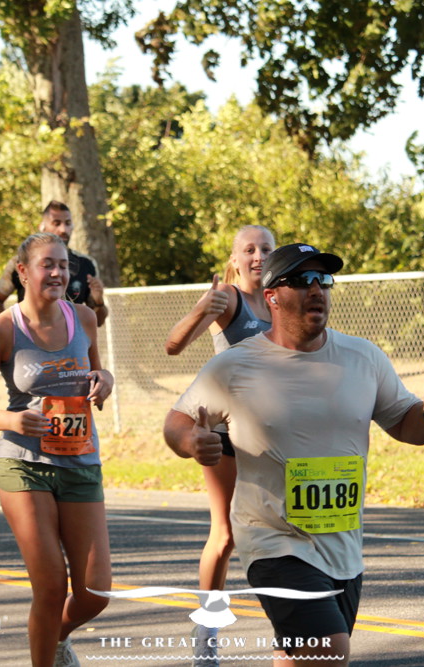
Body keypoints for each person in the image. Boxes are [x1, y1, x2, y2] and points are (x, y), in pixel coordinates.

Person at [164, 243, 424, 667]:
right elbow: (176, 422)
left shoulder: (363, 358)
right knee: (329, 649)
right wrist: (191, 442)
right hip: (272, 541)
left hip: (342, 545)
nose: (316, 289)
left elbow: (407, 425)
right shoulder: (236, 365)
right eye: (301, 280)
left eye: (323, 280)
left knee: (301, 655)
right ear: (271, 296)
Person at [0, 232, 114, 667]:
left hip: (81, 460)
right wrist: (11, 420)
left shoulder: (84, 318)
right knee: (50, 585)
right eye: (48, 264)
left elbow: (97, 375)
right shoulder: (3, 328)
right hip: (24, 465)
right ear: (23, 272)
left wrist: (105, 381)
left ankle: (53, 640)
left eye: (64, 265)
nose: (58, 273)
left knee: (95, 592)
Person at [164, 225, 275, 663]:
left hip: (273, 439)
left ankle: (296, 627)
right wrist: (201, 310)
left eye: (266, 248)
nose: (258, 256)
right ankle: (206, 631)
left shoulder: (281, 299)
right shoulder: (228, 298)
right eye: (249, 249)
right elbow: (173, 345)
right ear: (235, 260)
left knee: (284, 531)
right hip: (226, 436)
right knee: (226, 535)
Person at [0, 201, 108, 326]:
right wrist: (11, 330)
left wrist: (99, 302)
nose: (63, 229)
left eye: (63, 266)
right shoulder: (21, 261)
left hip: (71, 336)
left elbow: (97, 321)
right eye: (56, 223)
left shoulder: (87, 264)